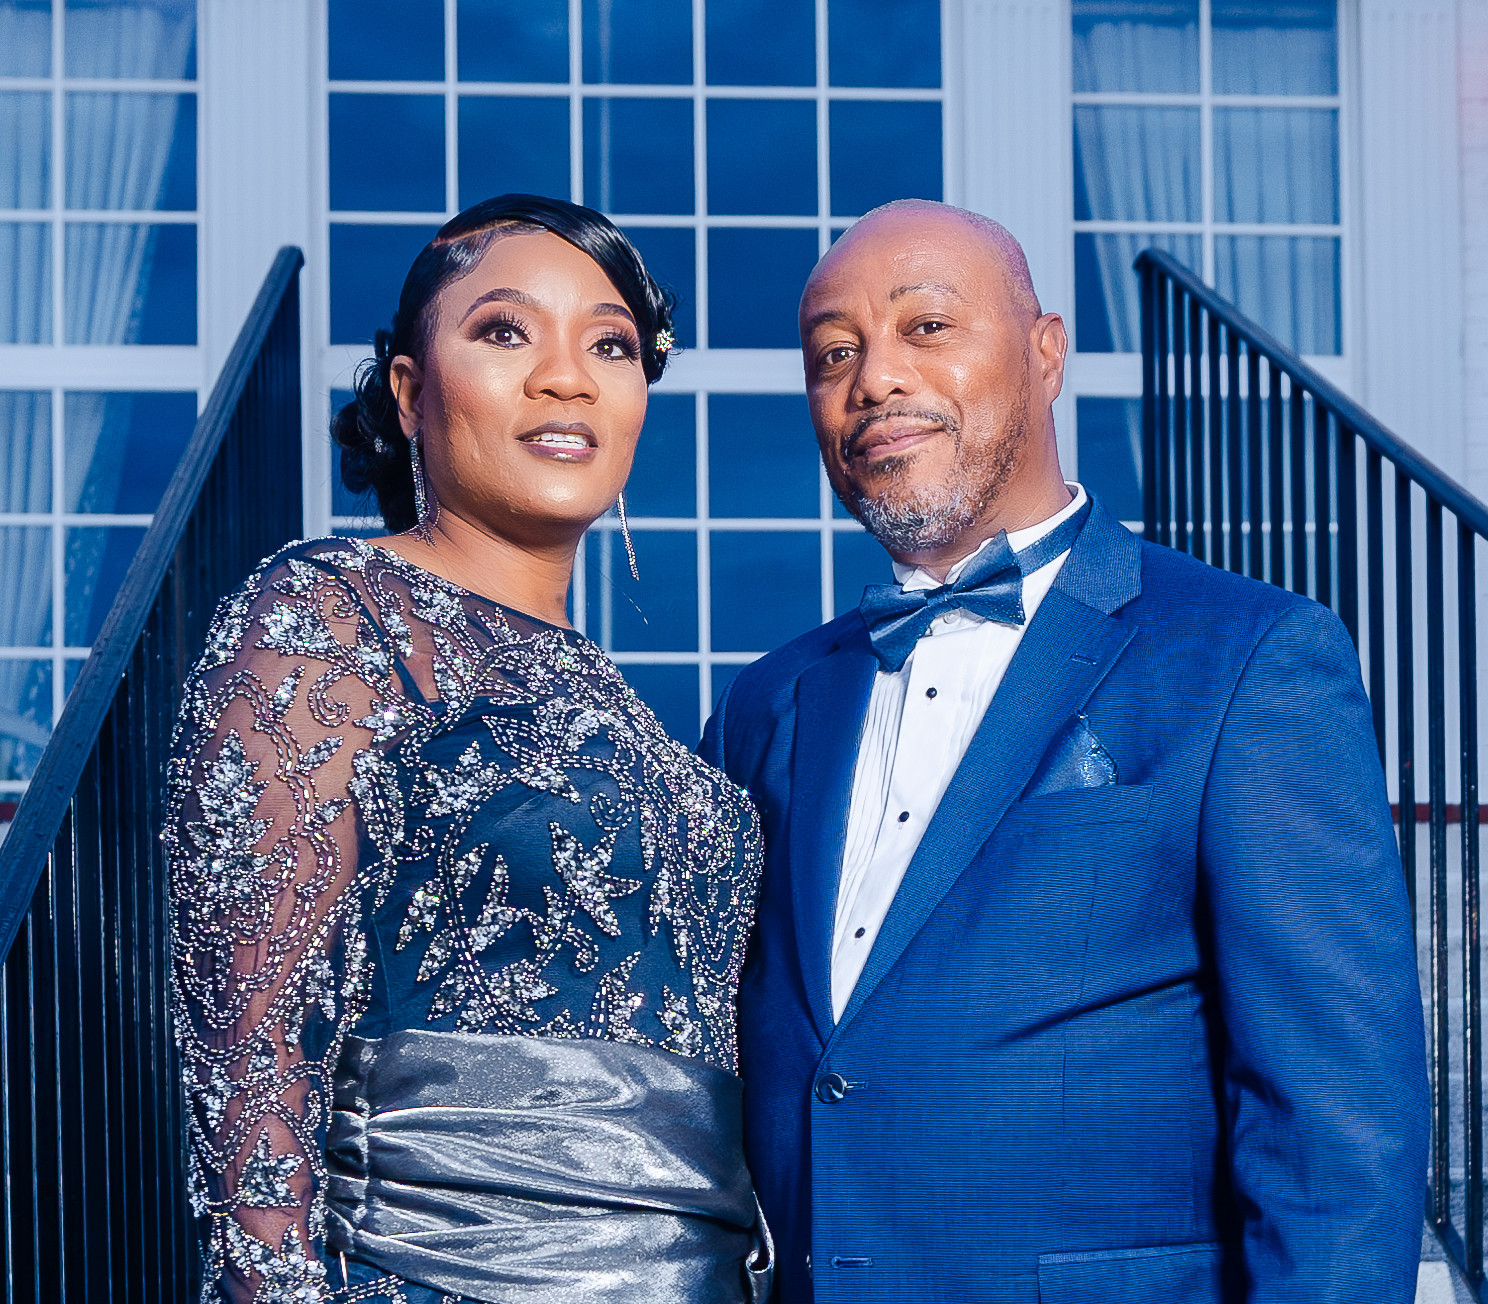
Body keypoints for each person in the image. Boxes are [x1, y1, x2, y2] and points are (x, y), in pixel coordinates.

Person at [700, 199, 1430, 1303]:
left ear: (1047, 354)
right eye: (833, 354)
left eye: (925, 327)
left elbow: (1339, 1136)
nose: (874, 379)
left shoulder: (1250, 657)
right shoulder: (769, 703)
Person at [167, 194, 771, 1304]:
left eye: (610, 345)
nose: (566, 377)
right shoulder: (331, 619)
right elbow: (248, 1071)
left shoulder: (622, 708)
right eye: (505, 331)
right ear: (409, 391)